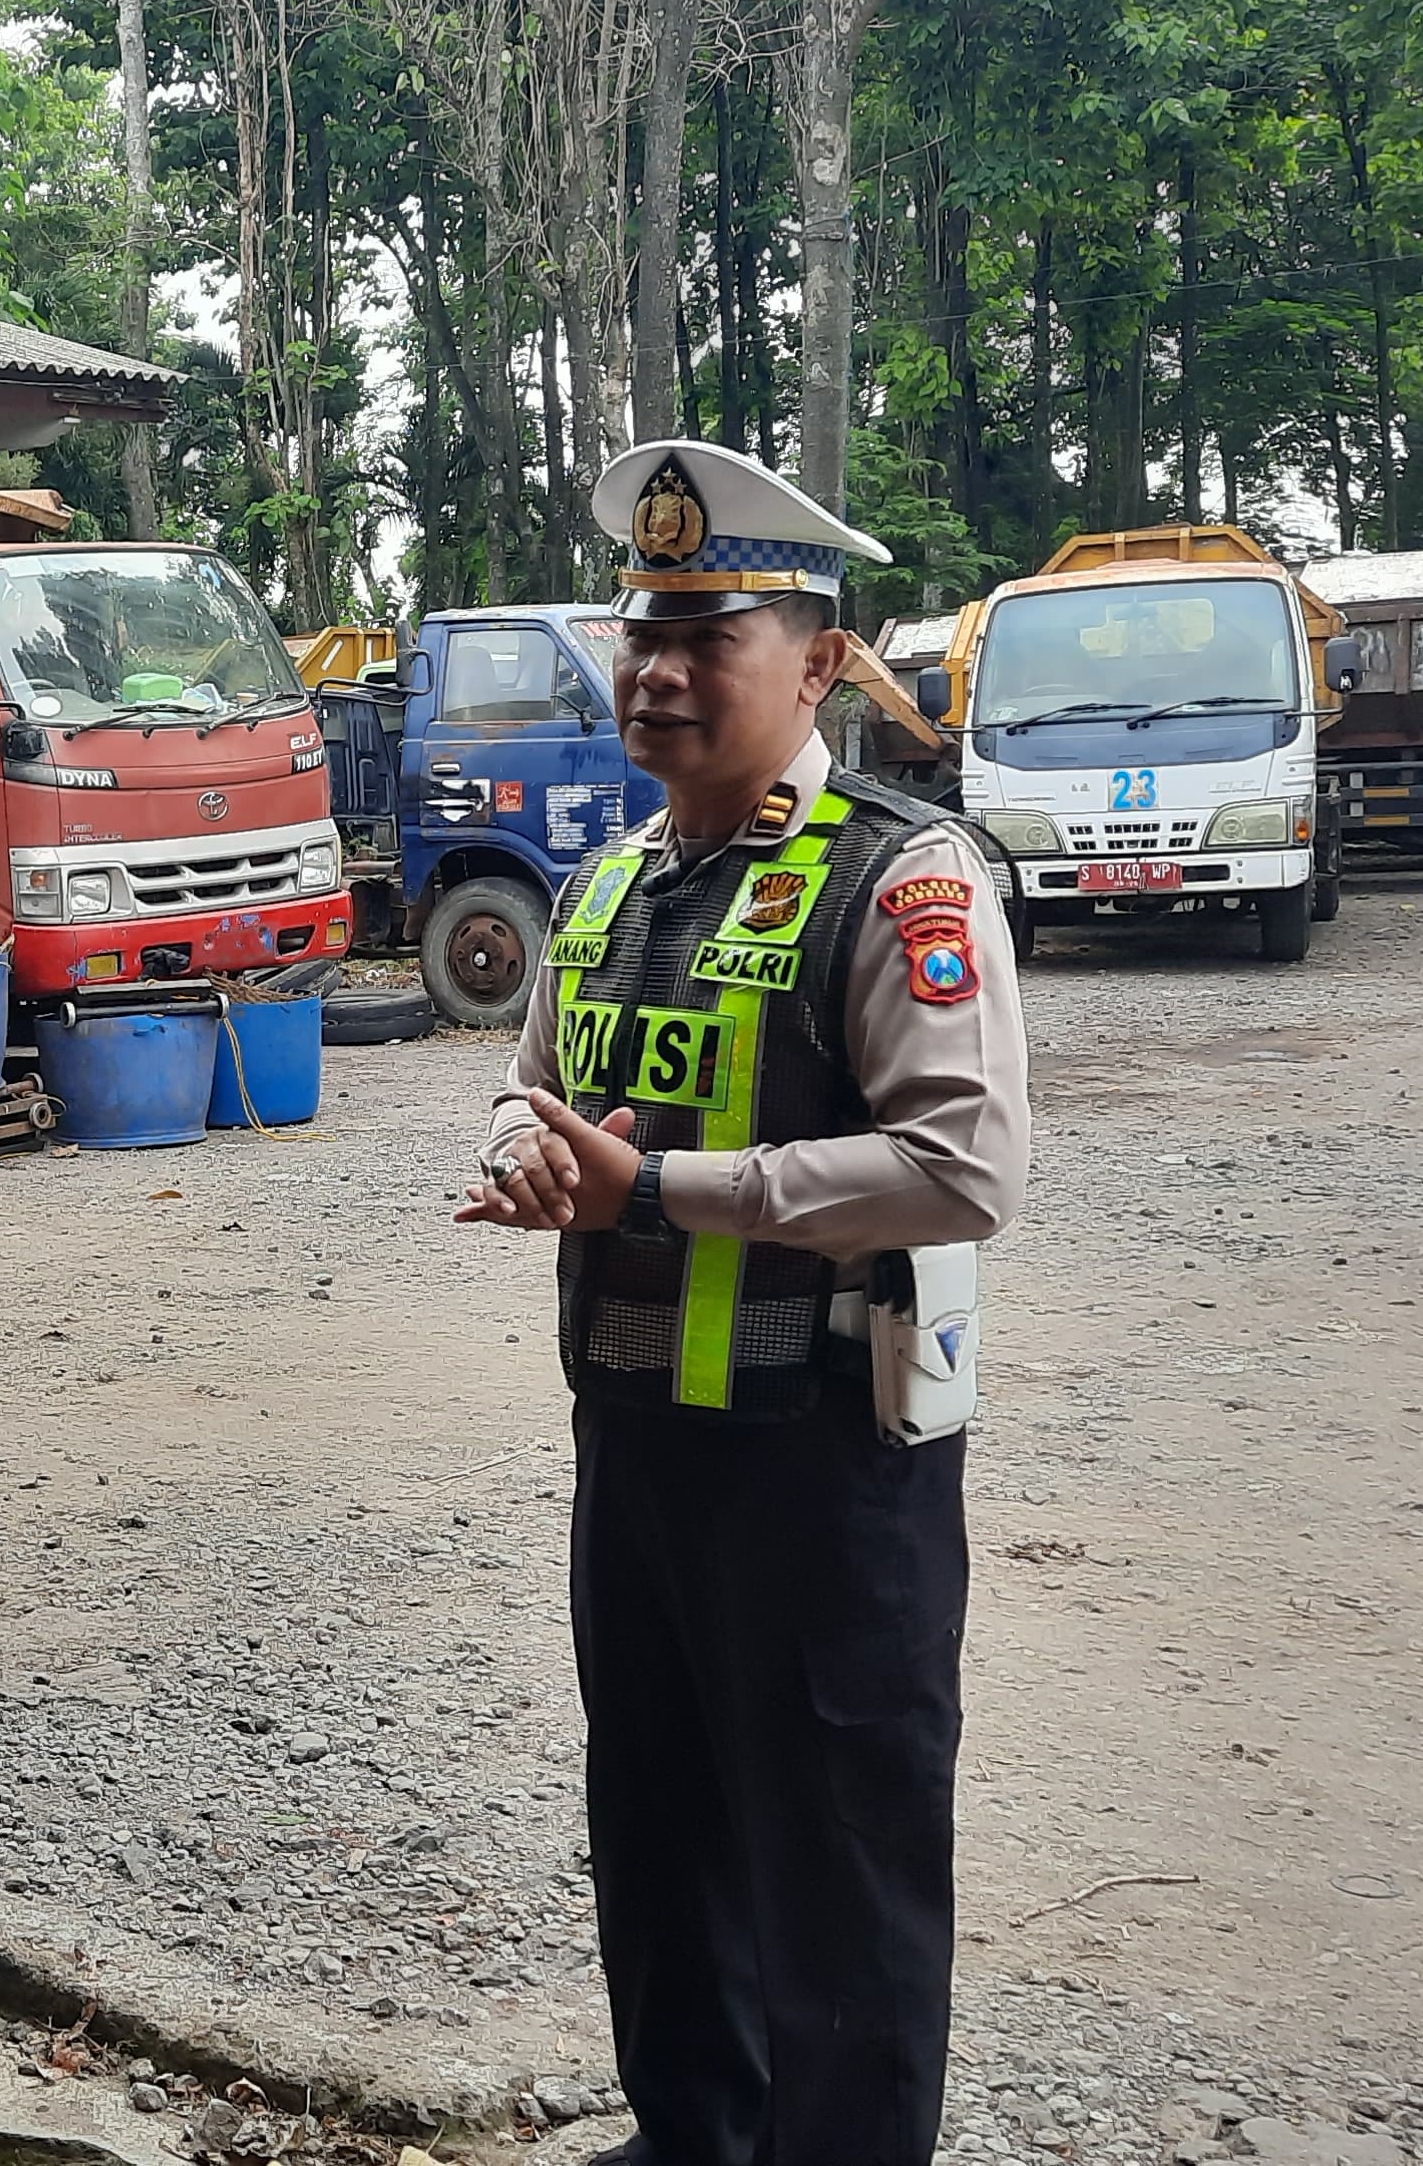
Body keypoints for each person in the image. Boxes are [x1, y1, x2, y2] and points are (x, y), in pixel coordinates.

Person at [456, 439, 1030, 2166]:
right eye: (645, 630)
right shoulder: (614, 877)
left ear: (824, 661)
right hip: (635, 1443)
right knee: (659, 1825)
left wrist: (665, 1195)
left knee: (837, 1866)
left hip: (824, 1469)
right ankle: (689, 2135)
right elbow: (533, 1072)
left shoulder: (901, 879)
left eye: (713, 636)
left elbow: (967, 1164)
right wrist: (523, 1144)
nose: (660, 668)